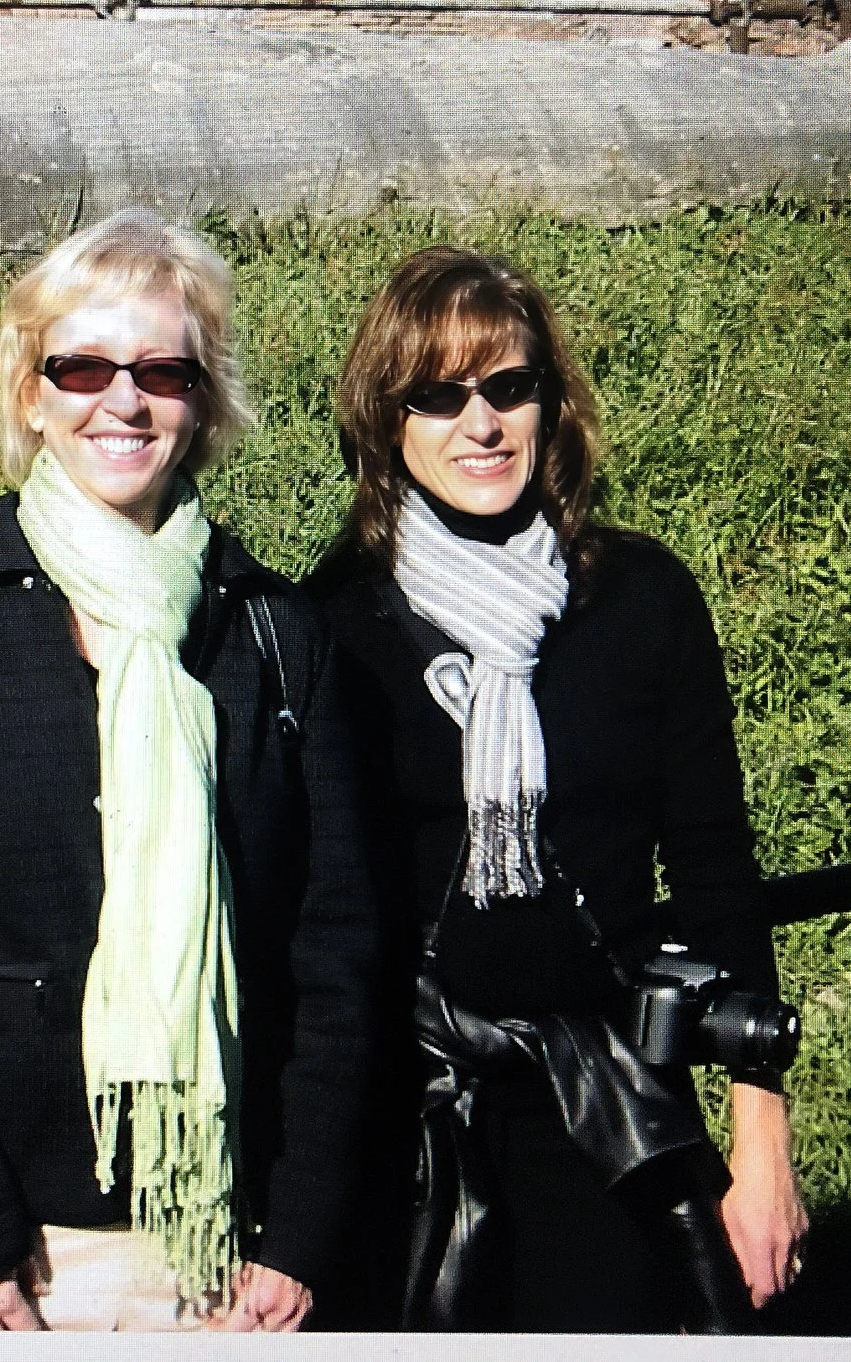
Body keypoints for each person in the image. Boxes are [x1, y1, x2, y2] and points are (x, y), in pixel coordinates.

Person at [0, 209, 373, 1332]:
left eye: (162, 370)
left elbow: (337, 950)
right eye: (83, 367)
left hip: (220, 1254)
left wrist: (300, 1229)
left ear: (202, 402)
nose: (124, 400)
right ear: (30, 394)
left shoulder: (275, 635)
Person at [306, 245, 808, 1334]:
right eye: (438, 395)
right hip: (411, 1113)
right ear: (387, 420)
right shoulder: (333, 622)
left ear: (549, 402)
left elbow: (717, 869)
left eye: (508, 386)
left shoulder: (642, 599)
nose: (480, 424)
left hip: (611, 1105)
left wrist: (760, 1141)